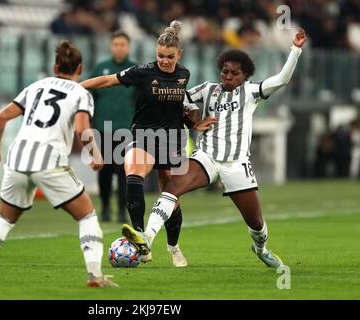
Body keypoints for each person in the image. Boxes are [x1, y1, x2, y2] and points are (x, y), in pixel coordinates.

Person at [128, 28, 308, 268]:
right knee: (172, 187)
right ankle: (146, 239)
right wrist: (193, 120)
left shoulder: (252, 91)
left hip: (236, 164)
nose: (228, 76)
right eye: (225, 71)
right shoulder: (208, 89)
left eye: (234, 73)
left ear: (245, 76)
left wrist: (295, 49)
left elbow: (282, 79)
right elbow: (180, 98)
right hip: (206, 158)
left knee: (256, 225)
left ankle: (261, 248)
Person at [0, 41, 117, 287]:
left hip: (17, 159)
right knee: (87, 216)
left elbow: (1, 117)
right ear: (81, 68)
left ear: (55, 67)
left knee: (4, 218)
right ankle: (95, 275)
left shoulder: (35, 86)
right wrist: (94, 152)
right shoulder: (81, 93)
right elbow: (81, 128)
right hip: (49, 161)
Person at [81, 21, 216, 267]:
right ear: (155, 53)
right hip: (142, 135)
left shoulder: (184, 74)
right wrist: (75, 88)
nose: (164, 61)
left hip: (172, 139)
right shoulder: (142, 72)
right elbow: (107, 81)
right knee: (133, 175)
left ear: (179, 55)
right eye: (160, 56)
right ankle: (140, 237)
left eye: (170, 57)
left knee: (170, 196)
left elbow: (182, 108)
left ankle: (173, 246)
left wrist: (195, 123)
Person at [90, 30, 136, 223]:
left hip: (126, 130)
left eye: (123, 44)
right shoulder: (100, 68)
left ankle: (121, 212)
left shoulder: (136, 70)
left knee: (125, 173)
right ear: (111, 46)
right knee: (104, 173)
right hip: (102, 129)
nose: (119, 48)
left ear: (128, 46)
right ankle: (106, 208)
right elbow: (89, 97)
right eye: (116, 44)